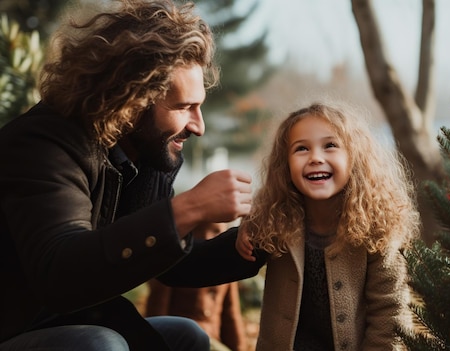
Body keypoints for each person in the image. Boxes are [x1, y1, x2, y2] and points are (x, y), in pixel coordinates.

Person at [0, 0, 264, 350]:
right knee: (102, 345)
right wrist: (188, 209)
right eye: (184, 107)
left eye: (199, 106)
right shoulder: (42, 145)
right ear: (133, 98)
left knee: (187, 337)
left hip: (77, 319)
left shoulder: (146, 151)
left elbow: (172, 264)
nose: (198, 126)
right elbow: (60, 275)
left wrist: (260, 238)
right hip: (14, 329)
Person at [235, 102, 421, 350]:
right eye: (301, 149)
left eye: (330, 145)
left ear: (355, 157)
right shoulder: (276, 220)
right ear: (285, 165)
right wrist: (245, 226)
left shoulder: (378, 228)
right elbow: (251, 231)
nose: (315, 158)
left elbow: (390, 314)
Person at [145, 222, 248, 351]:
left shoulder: (226, 271)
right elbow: (158, 309)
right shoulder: (175, 264)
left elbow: (231, 315)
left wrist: (239, 347)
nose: (208, 237)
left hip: (214, 341)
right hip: (184, 341)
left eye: (216, 233)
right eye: (200, 233)